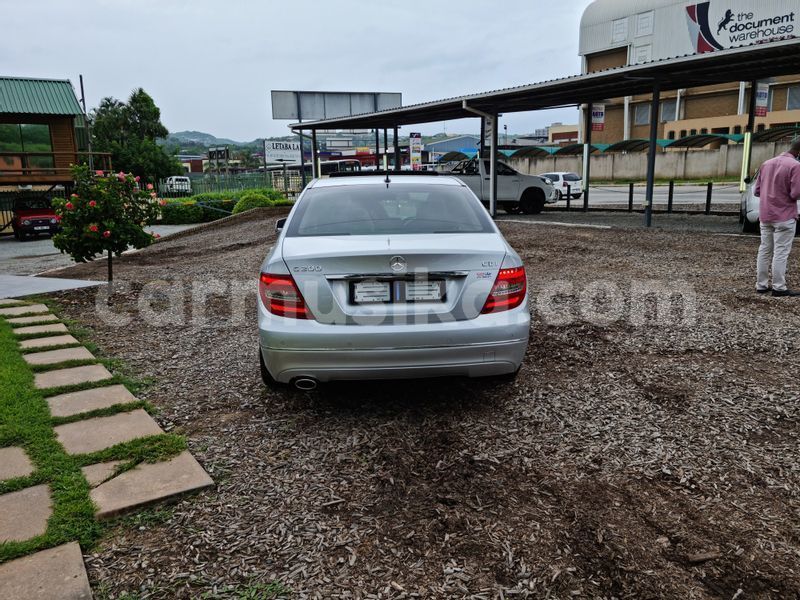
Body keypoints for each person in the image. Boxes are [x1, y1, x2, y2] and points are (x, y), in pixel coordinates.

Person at [755, 138, 800, 297]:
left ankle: (761, 285)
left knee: (765, 249)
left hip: (766, 214)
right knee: (781, 251)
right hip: (785, 215)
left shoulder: (766, 163)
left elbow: (757, 191)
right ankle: (779, 287)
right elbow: (796, 193)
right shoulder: (795, 166)